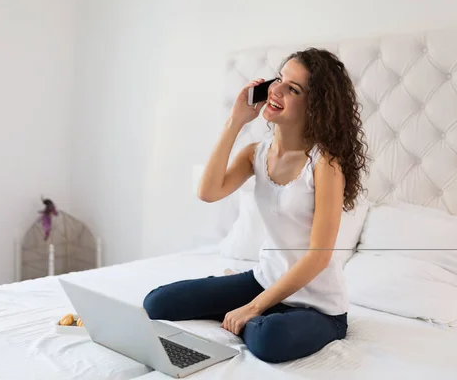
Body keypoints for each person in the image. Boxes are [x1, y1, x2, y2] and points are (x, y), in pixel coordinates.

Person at [143, 47, 369, 364]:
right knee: (157, 303)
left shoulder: (324, 164)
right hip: (264, 281)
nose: (275, 90)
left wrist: (252, 308)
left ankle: (251, 318)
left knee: (269, 339)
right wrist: (236, 121)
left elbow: (318, 258)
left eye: (293, 89)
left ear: (314, 106)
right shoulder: (256, 154)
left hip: (316, 306)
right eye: (280, 79)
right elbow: (207, 192)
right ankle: (249, 311)